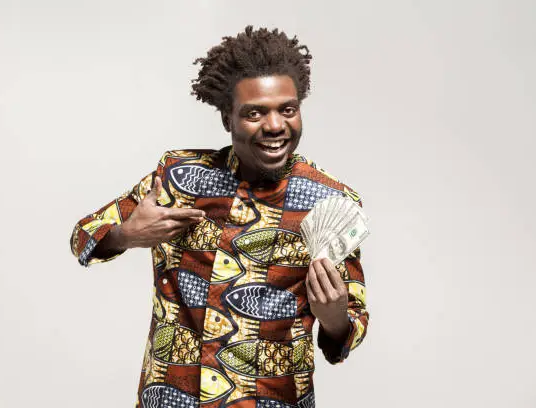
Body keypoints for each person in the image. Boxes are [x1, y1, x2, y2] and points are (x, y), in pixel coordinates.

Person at [70, 26, 368, 408]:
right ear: (227, 118)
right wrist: (125, 235)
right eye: (255, 112)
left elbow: (350, 326)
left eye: (287, 109)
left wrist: (335, 318)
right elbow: (83, 236)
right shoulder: (176, 177)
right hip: (171, 399)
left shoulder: (331, 201)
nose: (275, 125)